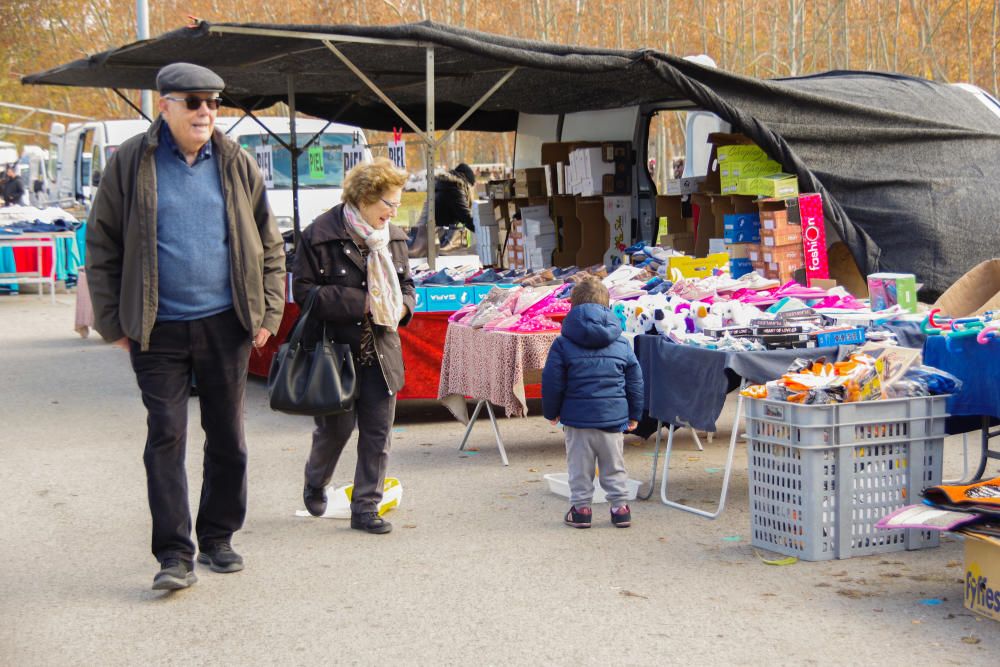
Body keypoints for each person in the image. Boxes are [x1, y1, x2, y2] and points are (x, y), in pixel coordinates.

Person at [87, 63, 285, 590]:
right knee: (166, 435)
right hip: (158, 329)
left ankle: (219, 537)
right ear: (165, 104)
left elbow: (269, 244)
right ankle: (174, 554)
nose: (205, 111)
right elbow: (102, 244)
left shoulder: (236, 161)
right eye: (194, 100)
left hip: (227, 324)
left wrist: (268, 313)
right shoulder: (132, 161)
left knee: (228, 436)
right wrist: (113, 322)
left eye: (214, 102)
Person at [293, 157, 416, 534]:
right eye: (388, 204)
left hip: (381, 349)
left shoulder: (392, 236)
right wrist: (359, 302)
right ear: (364, 197)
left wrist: (403, 308)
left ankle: (365, 508)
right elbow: (302, 292)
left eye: (397, 204)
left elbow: (408, 286)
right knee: (336, 430)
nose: (394, 212)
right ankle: (316, 480)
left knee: (378, 433)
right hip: (335, 352)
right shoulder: (319, 234)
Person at [541, 277, 643, 529]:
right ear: (608, 307)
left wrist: (551, 411)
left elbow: (553, 380)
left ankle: (582, 510)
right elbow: (635, 380)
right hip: (613, 418)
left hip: (577, 420)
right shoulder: (621, 342)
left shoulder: (562, 343)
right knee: (614, 465)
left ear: (572, 307)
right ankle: (620, 509)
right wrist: (635, 413)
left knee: (579, 467)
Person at [407, 162, 476, 257]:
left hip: (422, 235)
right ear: (467, 182)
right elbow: (465, 217)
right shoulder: (454, 187)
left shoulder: (442, 184)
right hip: (437, 238)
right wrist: (481, 229)